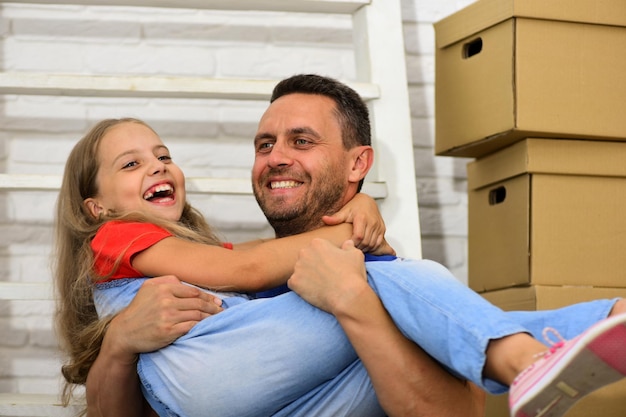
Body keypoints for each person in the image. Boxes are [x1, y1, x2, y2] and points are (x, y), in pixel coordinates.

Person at [77, 75, 626, 417]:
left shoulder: (213, 264)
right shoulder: (126, 240)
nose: (276, 157)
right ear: (95, 206)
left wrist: (355, 293)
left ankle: (589, 332)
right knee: (408, 281)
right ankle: (539, 348)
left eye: (302, 141)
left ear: (358, 164)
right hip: (202, 383)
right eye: (265, 144)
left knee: (416, 312)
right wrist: (354, 237)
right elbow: (247, 268)